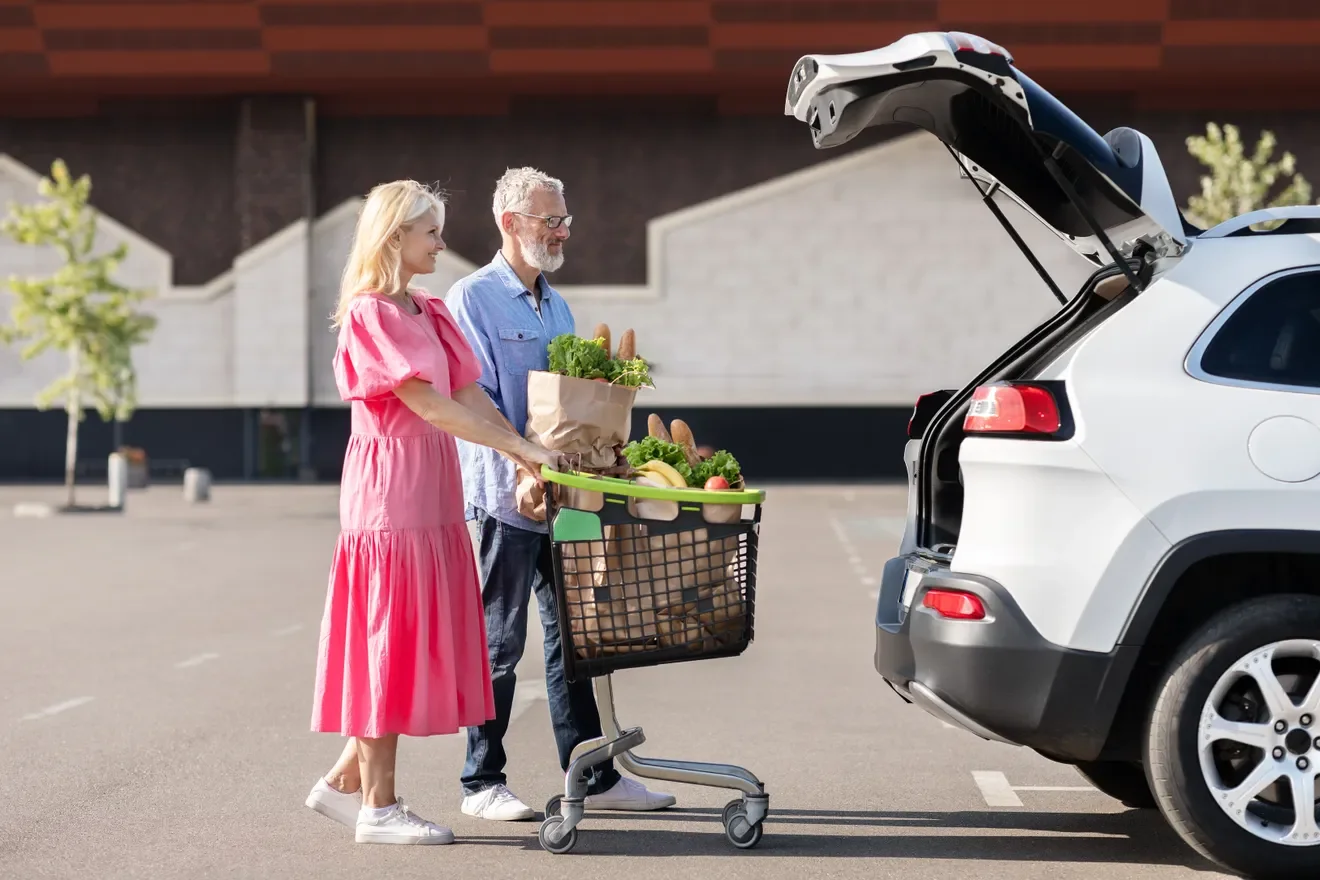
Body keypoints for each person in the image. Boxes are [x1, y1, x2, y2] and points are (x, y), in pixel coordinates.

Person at [303, 179, 564, 845]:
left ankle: (344, 782)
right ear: (394, 237)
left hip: (432, 489)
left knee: (408, 637)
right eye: (430, 232)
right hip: (391, 490)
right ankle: (378, 808)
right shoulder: (369, 314)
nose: (442, 244)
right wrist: (517, 447)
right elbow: (427, 404)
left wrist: (525, 453)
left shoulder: (430, 310)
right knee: (387, 643)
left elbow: (468, 393)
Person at [446, 167, 677, 820]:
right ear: (509, 223)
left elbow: (572, 405)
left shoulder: (560, 304)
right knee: (500, 639)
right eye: (550, 220)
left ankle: (594, 774)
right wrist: (523, 463)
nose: (561, 231)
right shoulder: (473, 299)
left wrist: (609, 450)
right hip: (507, 500)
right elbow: (477, 400)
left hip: (569, 504)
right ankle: (480, 781)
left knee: (578, 634)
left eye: (565, 220)